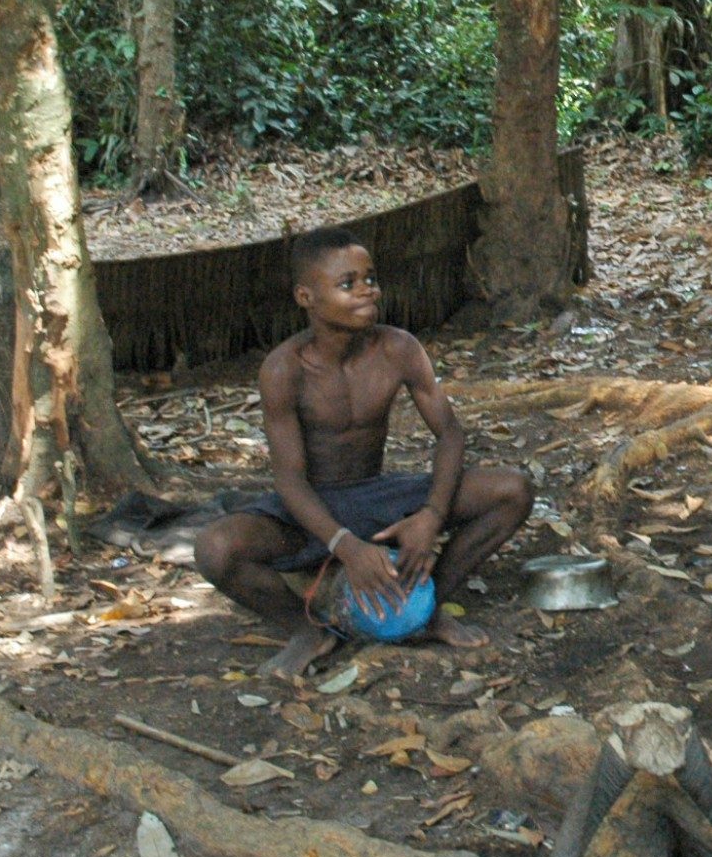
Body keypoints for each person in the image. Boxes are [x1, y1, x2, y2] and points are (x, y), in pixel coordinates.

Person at [194, 227, 534, 679]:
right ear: (306, 297)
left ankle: (425, 607)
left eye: (370, 278)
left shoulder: (399, 349)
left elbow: (449, 434)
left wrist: (431, 515)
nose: (367, 290)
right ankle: (308, 629)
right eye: (347, 283)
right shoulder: (283, 369)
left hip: (378, 499)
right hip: (310, 512)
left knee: (513, 489)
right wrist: (344, 546)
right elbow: (290, 480)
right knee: (215, 547)